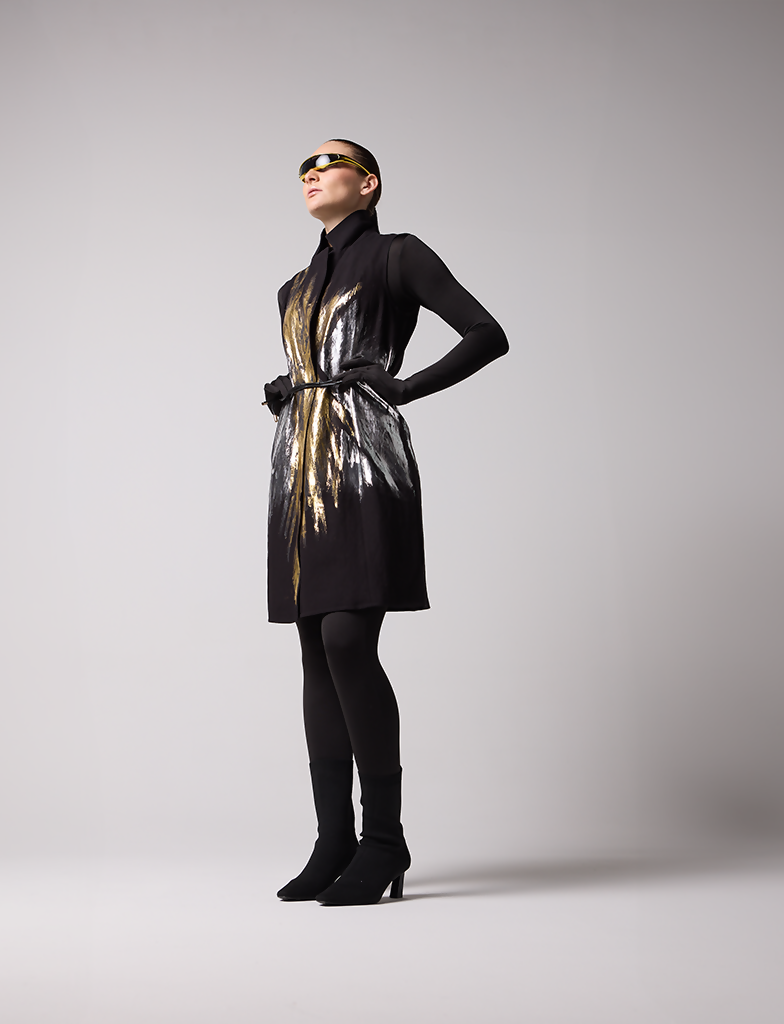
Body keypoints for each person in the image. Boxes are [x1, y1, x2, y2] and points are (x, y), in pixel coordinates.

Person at [264, 139, 508, 906]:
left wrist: (402, 388)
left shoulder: (399, 255)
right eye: (303, 167)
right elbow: (316, 363)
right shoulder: (291, 288)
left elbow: (486, 333)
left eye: (329, 162)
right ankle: (333, 839)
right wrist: (289, 388)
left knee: (346, 637)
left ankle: (384, 840)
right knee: (315, 647)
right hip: (299, 467)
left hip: (364, 460)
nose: (312, 172)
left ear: (367, 184)